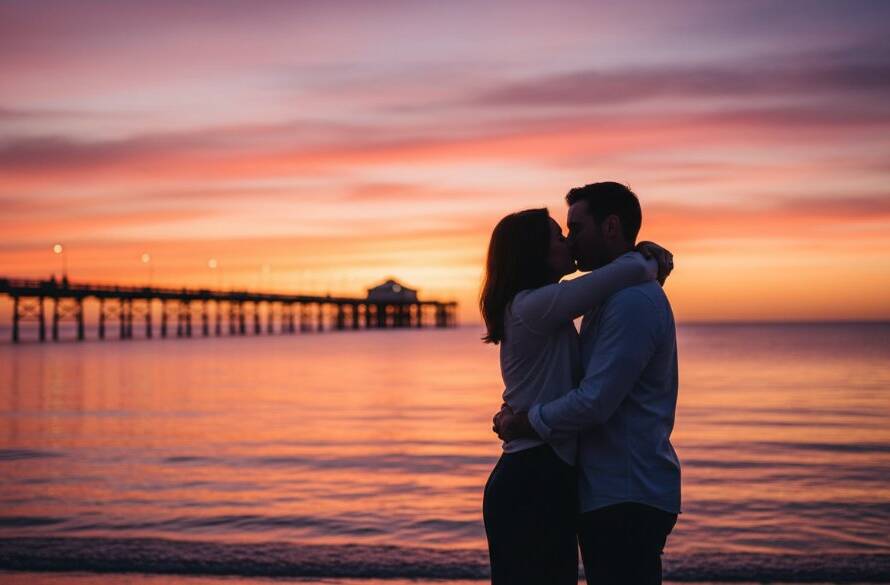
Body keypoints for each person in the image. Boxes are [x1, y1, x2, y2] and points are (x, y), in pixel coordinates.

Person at [494, 182, 681, 585]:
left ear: (610, 227)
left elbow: (594, 401)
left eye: (575, 229)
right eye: (562, 234)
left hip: (625, 492)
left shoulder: (627, 301)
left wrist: (524, 420)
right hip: (586, 487)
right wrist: (647, 258)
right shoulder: (582, 300)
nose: (571, 241)